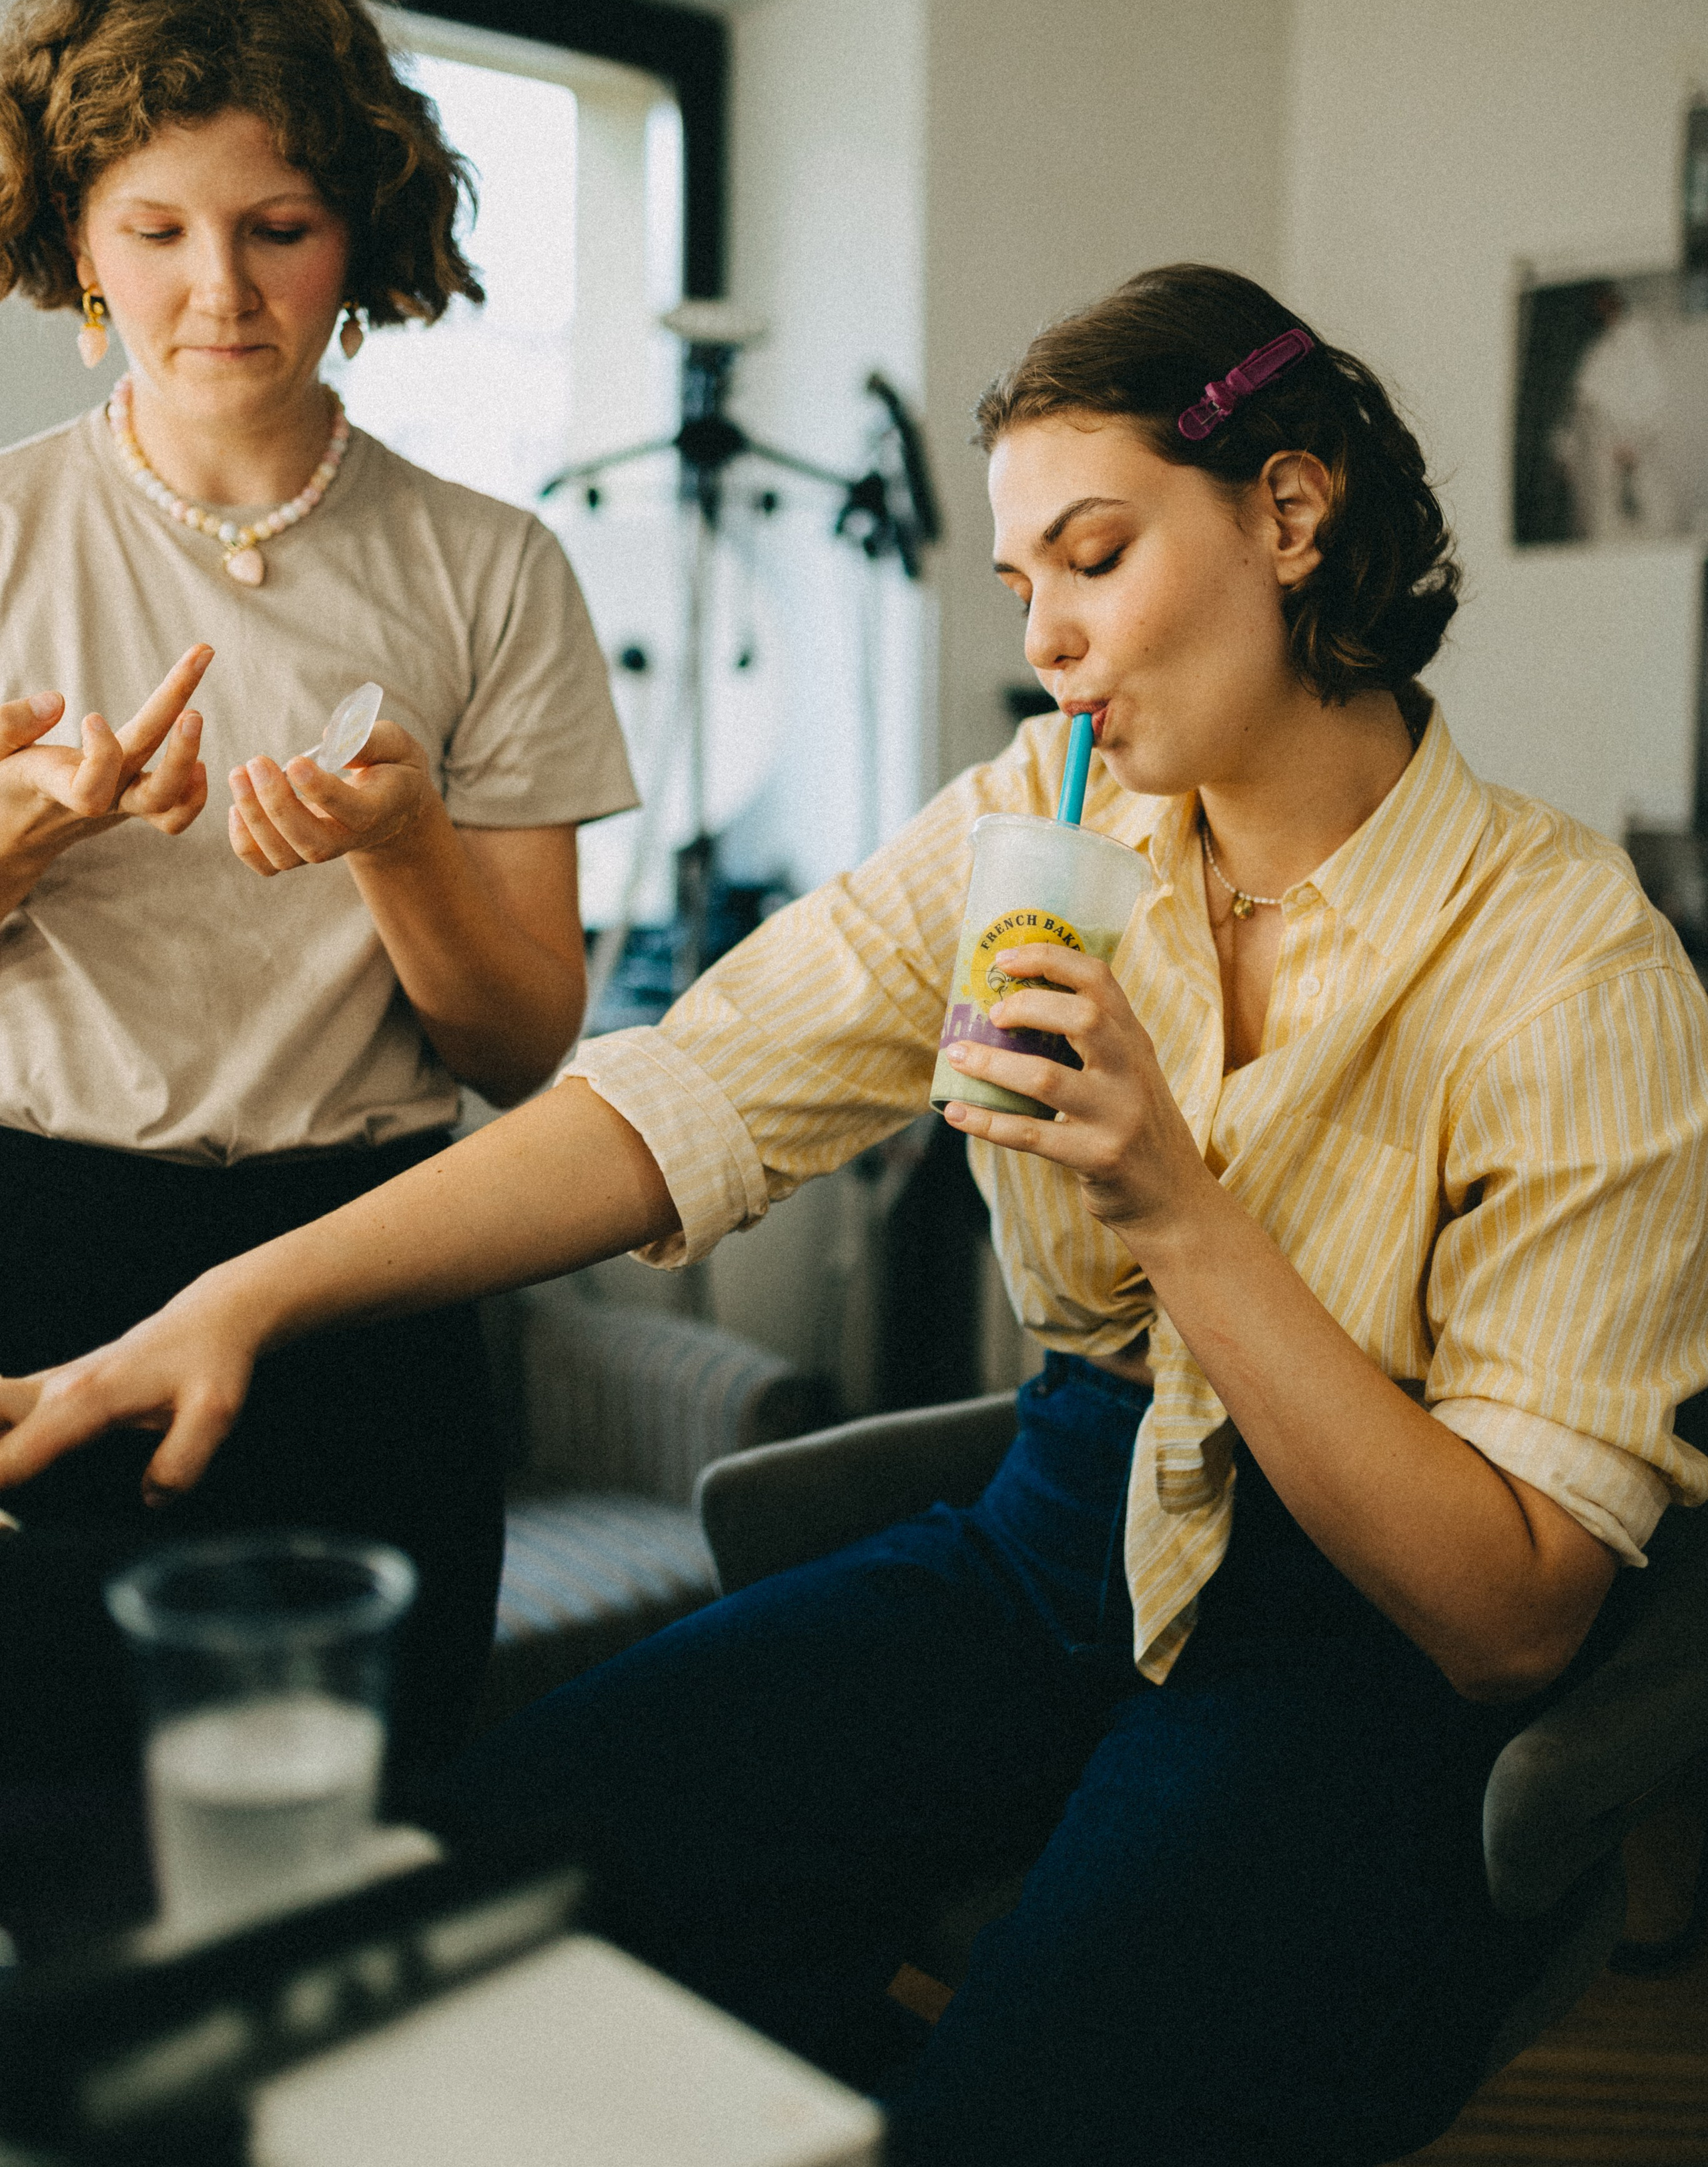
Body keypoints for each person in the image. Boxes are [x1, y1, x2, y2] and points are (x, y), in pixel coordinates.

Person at [5, 264, 1707, 2163]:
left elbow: (1509, 1621)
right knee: (478, 1892)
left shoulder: (1573, 971)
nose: (1052, 638)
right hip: (1052, 1540)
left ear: (1292, 516)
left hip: (1350, 1651)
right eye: (1020, 586)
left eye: (1097, 555)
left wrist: (1178, 1203)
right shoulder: (1033, 835)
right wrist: (238, 1299)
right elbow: (685, 1093)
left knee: (1014, 2108)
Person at [0, 0, 635, 1821]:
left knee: (366, 1842)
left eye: (277, 225)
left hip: (367, 1286)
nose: (221, 289)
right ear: (74, 242)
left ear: (362, 227)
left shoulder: (493, 571)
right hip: (34, 1257)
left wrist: (407, 845)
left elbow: (525, 1049)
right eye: (157, 231)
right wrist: (24, 838)